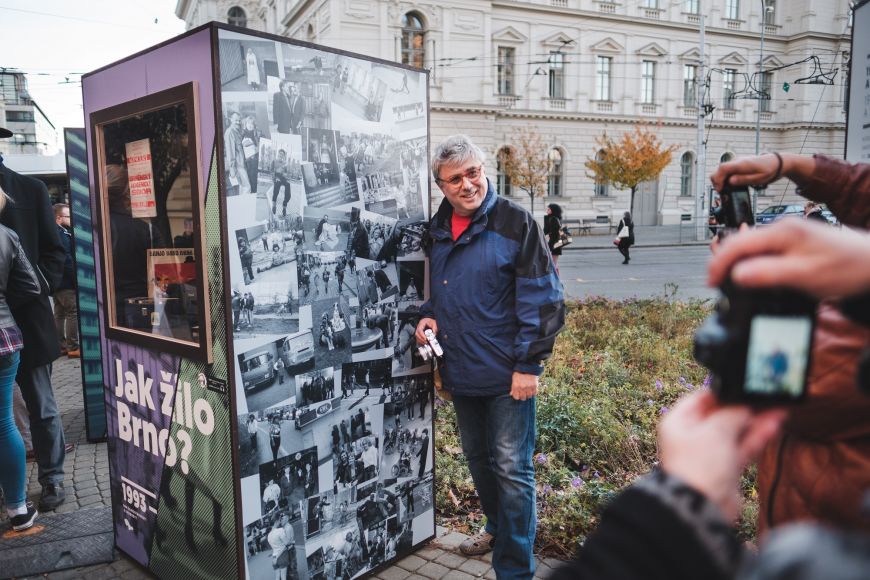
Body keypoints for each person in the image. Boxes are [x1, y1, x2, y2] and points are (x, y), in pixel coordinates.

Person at [415, 135, 565, 578]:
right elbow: (441, 292)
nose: (468, 184)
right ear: (440, 185)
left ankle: (515, 570)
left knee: (512, 471)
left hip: (507, 376)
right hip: (462, 371)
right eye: (455, 178)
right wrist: (428, 317)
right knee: (479, 461)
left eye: (474, 172)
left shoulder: (514, 222)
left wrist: (528, 366)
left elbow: (544, 300)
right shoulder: (437, 230)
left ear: (485, 171)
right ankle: (496, 529)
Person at [711, 152, 870, 533]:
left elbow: (780, 389)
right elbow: (859, 187)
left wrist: (755, 290)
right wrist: (792, 165)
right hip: (794, 524)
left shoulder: (851, 335)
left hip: (831, 544)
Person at [0, 134, 69, 511]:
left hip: (27, 316)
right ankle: (11, 490)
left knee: (41, 405)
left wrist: (39, 285)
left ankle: (53, 480)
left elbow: (55, 249)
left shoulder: (30, 188)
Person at [0, 182, 43, 531]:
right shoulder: (7, 236)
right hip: (3, 337)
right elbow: (31, 285)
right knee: (4, 423)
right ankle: (17, 509)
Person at [52, 203, 79, 358]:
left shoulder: (56, 233)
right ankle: (73, 347)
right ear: (59, 218)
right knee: (72, 312)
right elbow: (67, 260)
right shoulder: (62, 235)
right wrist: (76, 280)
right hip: (66, 282)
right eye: (68, 216)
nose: (71, 219)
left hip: (57, 282)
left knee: (59, 314)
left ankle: (61, 346)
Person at [224, 110, 252, 195]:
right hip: (237, 166)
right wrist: (232, 169)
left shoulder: (237, 131)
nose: (238, 122)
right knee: (247, 188)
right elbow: (230, 151)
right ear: (230, 119)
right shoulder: (229, 132)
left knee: (242, 188)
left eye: (239, 120)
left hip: (242, 164)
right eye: (236, 120)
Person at [267, 512, 296, 580]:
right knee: (283, 577)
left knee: (277, 577)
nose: (280, 522)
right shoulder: (280, 530)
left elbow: (275, 547)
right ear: (277, 520)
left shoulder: (269, 535)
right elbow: (287, 543)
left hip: (274, 558)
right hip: (282, 556)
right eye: (280, 520)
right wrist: (293, 542)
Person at [241, 115, 262, 194]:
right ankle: (252, 193)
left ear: (254, 125)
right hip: (247, 160)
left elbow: (261, 144)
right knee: (249, 178)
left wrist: (257, 147)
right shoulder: (242, 133)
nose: (250, 125)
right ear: (245, 124)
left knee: (255, 177)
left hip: (255, 159)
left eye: (252, 124)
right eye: (248, 123)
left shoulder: (257, 133)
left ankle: (254, 192)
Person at [544, 203, 564, 269]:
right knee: (553, 264)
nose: (547, 210)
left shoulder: (553, 219)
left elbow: (554, 235)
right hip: (556, 244)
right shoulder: (552, 218)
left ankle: (556, 278)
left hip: (555, 245)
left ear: (553, 210)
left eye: (549, 209)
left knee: (553, 264)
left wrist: (549, 247)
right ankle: (555, 278)